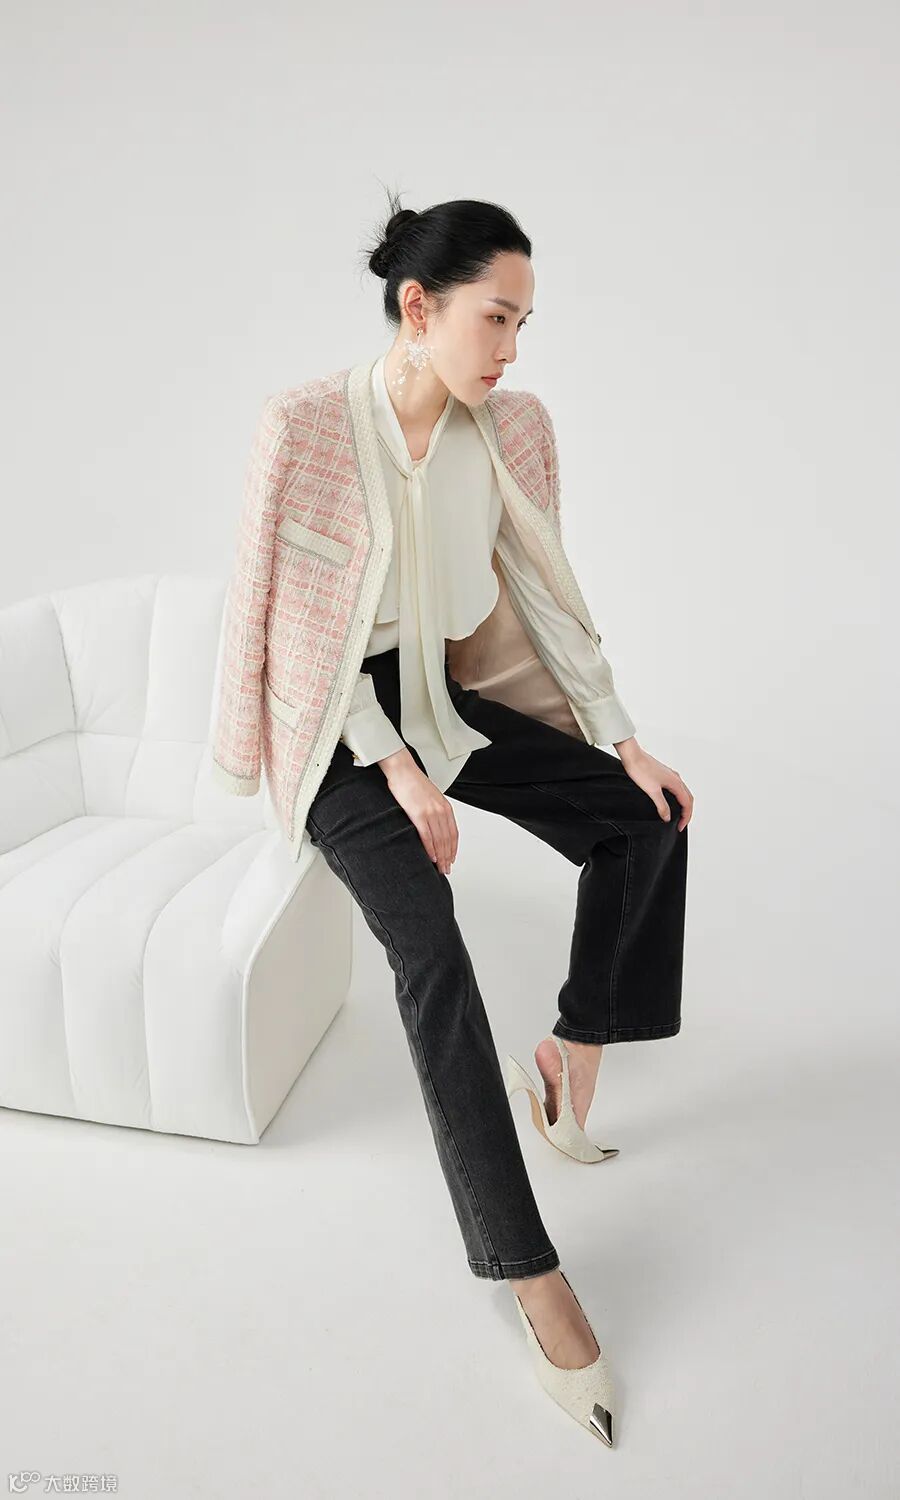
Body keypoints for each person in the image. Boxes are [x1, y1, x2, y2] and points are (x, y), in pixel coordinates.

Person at [219, 193, 693, 1445]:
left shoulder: (512, 427)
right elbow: (293, 633)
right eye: (497, 317)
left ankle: (572, 1054)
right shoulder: (304, 426)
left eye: (526, 323)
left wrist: (619, 735)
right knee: (433, 955)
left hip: (440, 699)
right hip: (338, 732)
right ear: (418, 307)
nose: (513, 348)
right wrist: (399, 772)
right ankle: (530, 1274)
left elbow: (546, 586)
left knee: (648, 820)